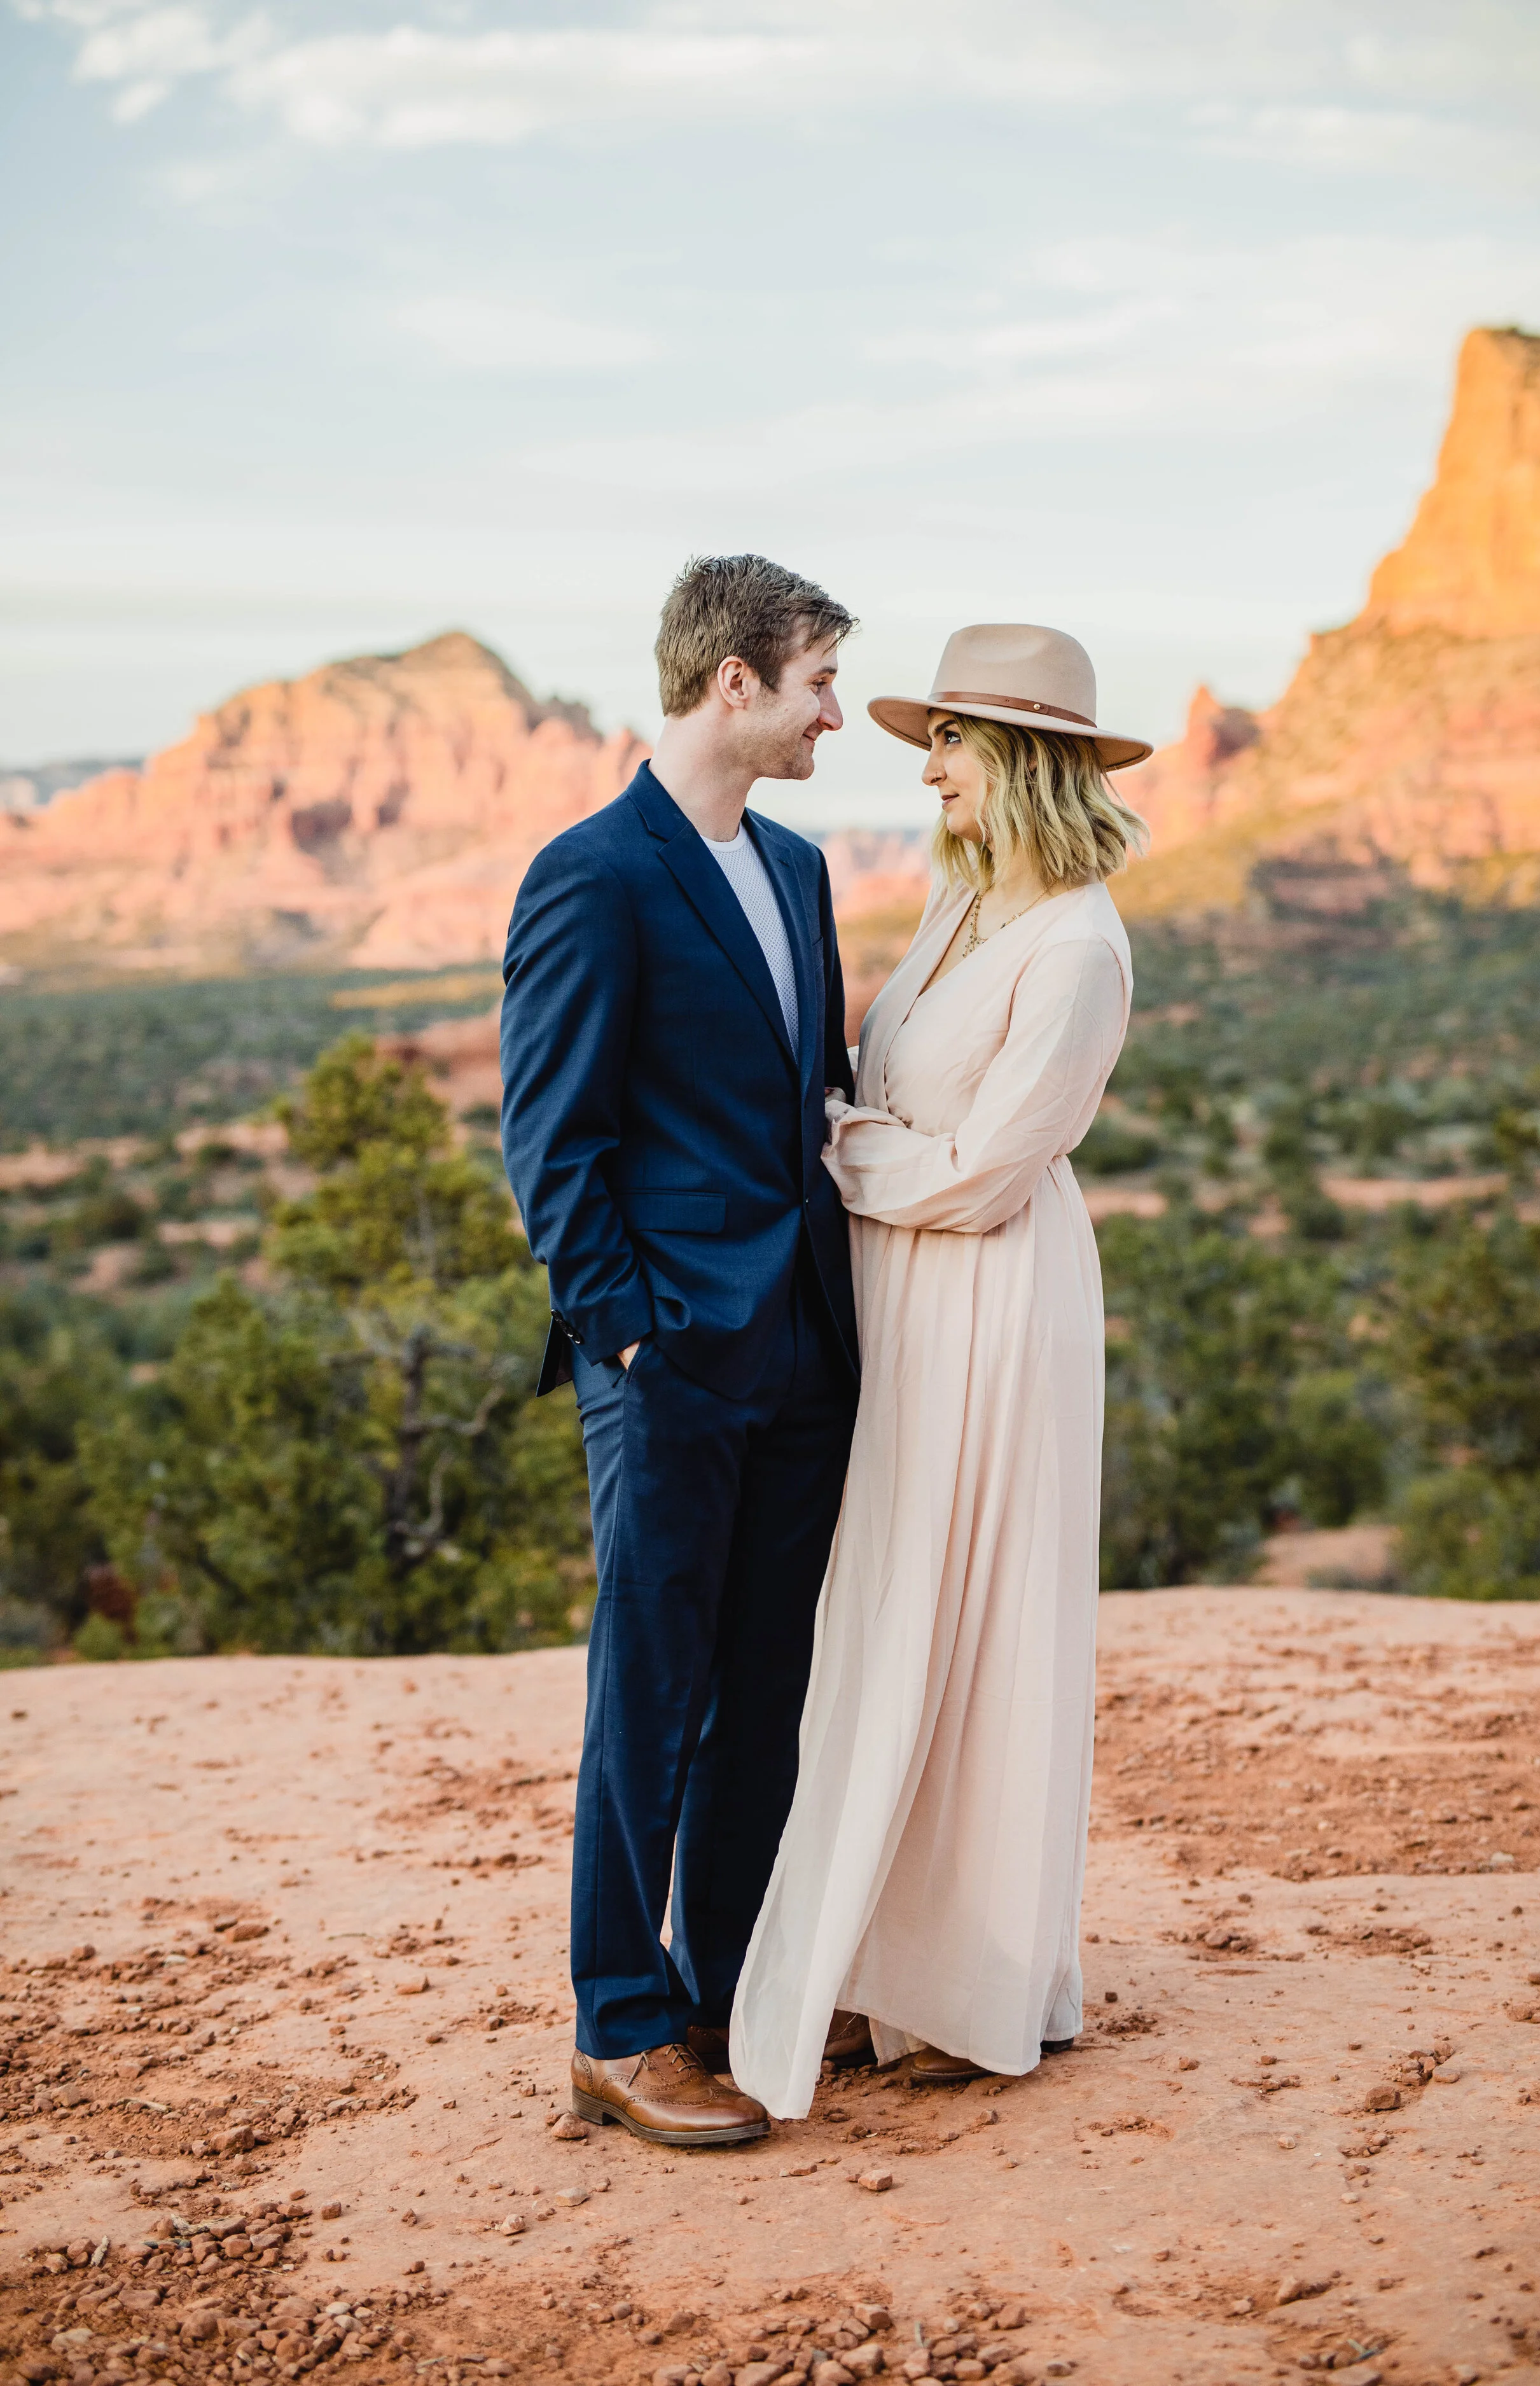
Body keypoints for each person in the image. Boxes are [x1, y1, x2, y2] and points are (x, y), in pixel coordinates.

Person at [730, 621, 1153, 2116]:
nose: (929, 765)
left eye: (954, 742)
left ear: (1023, 758)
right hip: (897, 1295)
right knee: (883, 1607)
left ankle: (956, 1978)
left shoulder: (1082, 946)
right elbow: (891, 1097)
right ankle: (861, 1956)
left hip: (991, 1304)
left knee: (966, 1620)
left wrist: (843, 1150)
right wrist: (869, 1144)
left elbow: (979, 1176)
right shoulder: (957, 907)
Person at [499, 554, 866, 2148]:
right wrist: (631, 1343)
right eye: (816, 682)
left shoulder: (793, 874)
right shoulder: (592, 874)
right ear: (735, 680)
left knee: (762, 1690)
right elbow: (552, 1143)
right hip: (665, 1365)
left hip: (797, 1352)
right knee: (646, 1694)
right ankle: (618, 2023)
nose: (831, 714)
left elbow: (809, 1106)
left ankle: (723, 1992)